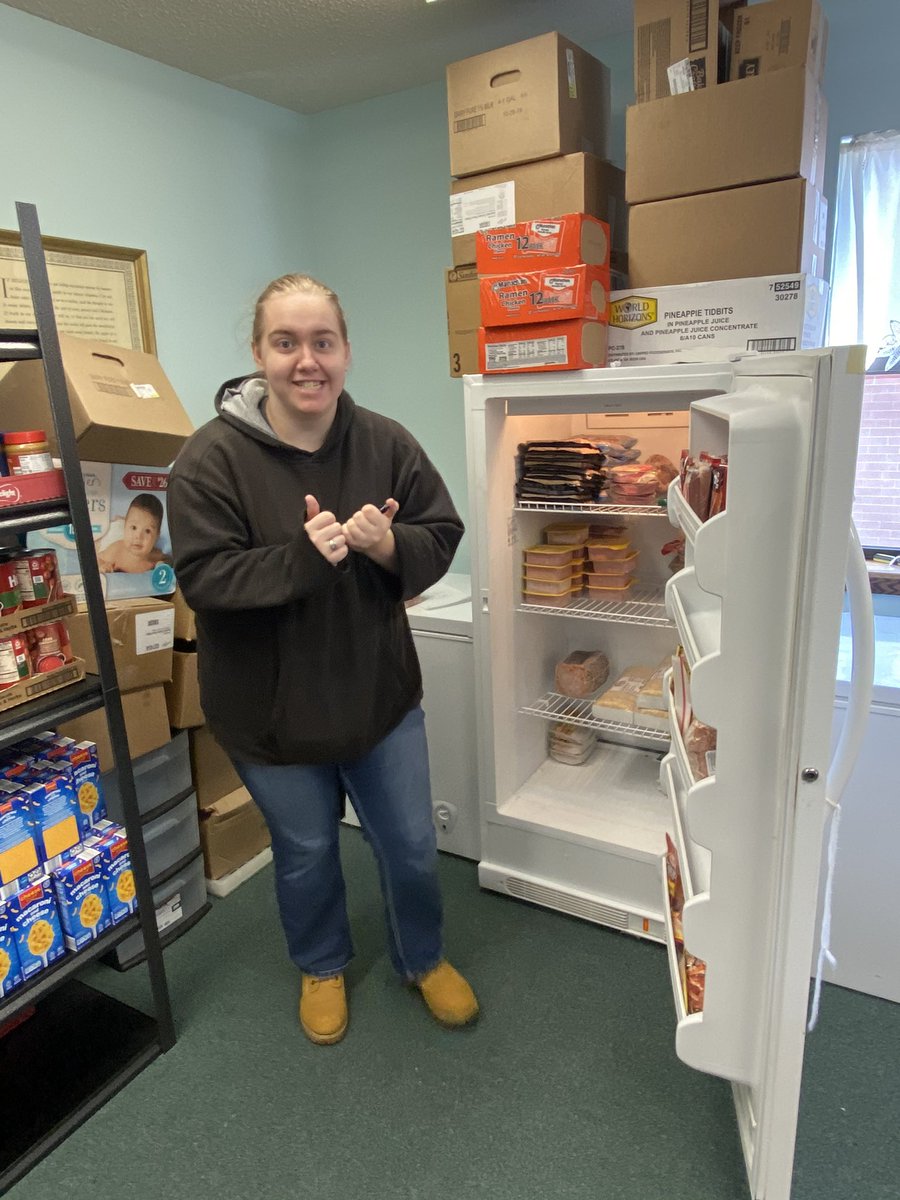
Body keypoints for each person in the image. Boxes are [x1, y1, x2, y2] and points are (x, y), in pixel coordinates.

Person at [167, 273, 477, 1045]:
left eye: (323, 342)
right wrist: (304, 560)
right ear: (258, 354)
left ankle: (422, 955)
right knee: (306, 854)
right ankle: (322, 963)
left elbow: (440, 536)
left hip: (378, 698)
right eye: (286, 342)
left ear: (345, 352)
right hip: (268, 713)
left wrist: (388, 545)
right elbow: (204, 578)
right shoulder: (209, 460)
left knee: (409, 845)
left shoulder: (386, 442)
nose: (307, 360)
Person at [98, 493, 167, 574]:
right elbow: (98, 558)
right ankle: (119, 521)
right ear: (125, 527)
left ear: (157, 536)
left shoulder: (155, 557)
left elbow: (169, 560)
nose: (138, 537)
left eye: (147, 531)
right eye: (134, 528)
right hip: (115, 534)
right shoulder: (116, 551)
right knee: (113, 529)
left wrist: (163, 564)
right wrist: (104, 566)